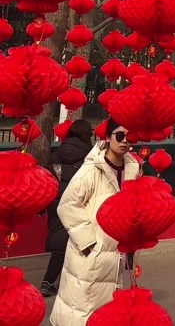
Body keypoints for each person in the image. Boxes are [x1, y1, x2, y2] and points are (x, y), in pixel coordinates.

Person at [50, 118, 141, 326]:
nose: (125, 141)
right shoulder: (91, 170)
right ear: (108, 138)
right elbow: (68, 205)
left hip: (115, 255)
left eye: (129, 137)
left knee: (107, 312)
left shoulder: (132, 171)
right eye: (119, 135)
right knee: (81, 310)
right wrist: (89, 243)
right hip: (90, 254)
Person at [41, 119, 93, 298]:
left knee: (60, 238)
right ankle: (49, 282)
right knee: (74, 242)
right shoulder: (90, 155)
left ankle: (55, 281)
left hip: (55, 201)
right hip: (77, 202)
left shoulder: (57, 152)